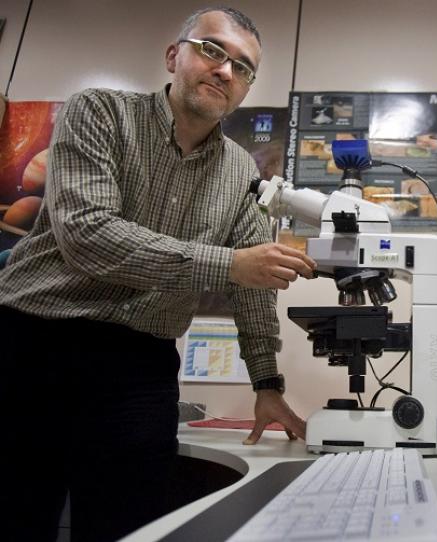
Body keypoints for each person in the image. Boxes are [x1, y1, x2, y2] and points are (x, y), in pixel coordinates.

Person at [0, 7, 315, 542]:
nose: (225, 71)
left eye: (242, 66)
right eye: (212, 50)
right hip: (34, 343)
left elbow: (251, 286)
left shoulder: (241, 171)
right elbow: (87, 235)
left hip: (139, 369)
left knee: (129, 528)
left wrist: (267, 383)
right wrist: (232, 264)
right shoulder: (99, 111)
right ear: (175, 56)